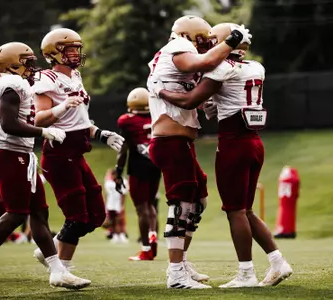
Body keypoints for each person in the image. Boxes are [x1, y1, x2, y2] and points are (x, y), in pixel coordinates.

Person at [157, 23, 292, 288]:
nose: (208, 47)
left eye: (212, 42)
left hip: (233, 144)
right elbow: (216, 101)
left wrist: (159, 90)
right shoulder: (256, 67)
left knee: (235, 211)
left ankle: (246, 274)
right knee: (248, 211)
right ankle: (278, 262)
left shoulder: (223, 68)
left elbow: (190, 100)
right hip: (254, 143)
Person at [0, 42, 89, 296]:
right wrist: (45, 131)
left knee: (39, 213)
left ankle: (57, 270)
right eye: (27, 62)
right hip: (10, 154)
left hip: (20, 153)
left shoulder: (12, 83)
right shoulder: (12, 83)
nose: (33, 67)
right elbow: (9, 124)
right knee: (16, 213)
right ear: (13, 64)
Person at [146, 15, 251, 289]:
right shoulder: (176, 48)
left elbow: (197, 83)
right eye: (203, 41)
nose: (207, 47)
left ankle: (181, 261)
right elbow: (205, 63)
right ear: (189, 36)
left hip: (180, 141)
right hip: (169, 140)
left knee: (199, 201)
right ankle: (175, 273)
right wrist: (230, 42)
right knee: (182, 204)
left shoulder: (181, 59)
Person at [32, 28, 124, 284]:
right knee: (78, 216)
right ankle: (61, 272)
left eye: (76, 48)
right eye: (68, 49)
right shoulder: (45, 78)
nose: (75, 53)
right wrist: (60, 107)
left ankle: (50, 247)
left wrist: (103, 134)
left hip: (78, 151)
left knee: (96, 215)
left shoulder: (75, 76)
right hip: (59, 154)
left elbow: (80, 121)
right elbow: (38, 118)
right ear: (53, 53)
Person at [115, 87, 161, 260]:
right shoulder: (155, 117)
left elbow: (123, 149)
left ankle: (146, 249)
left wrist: (119, 171)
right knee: (150, 205)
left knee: (141, 209)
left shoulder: (127, 121)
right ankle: (153, 235)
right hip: (155, 165)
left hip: (138, 167)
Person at [104, 169, 129, 244]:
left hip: (118, 204)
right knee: (112, 221)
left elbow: (123, 195)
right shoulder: (109, 183)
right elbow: (107, 194)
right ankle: (114, 235)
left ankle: (122, 235)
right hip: (110, 204)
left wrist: (121, 205)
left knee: (119, 220)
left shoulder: (123, 182)